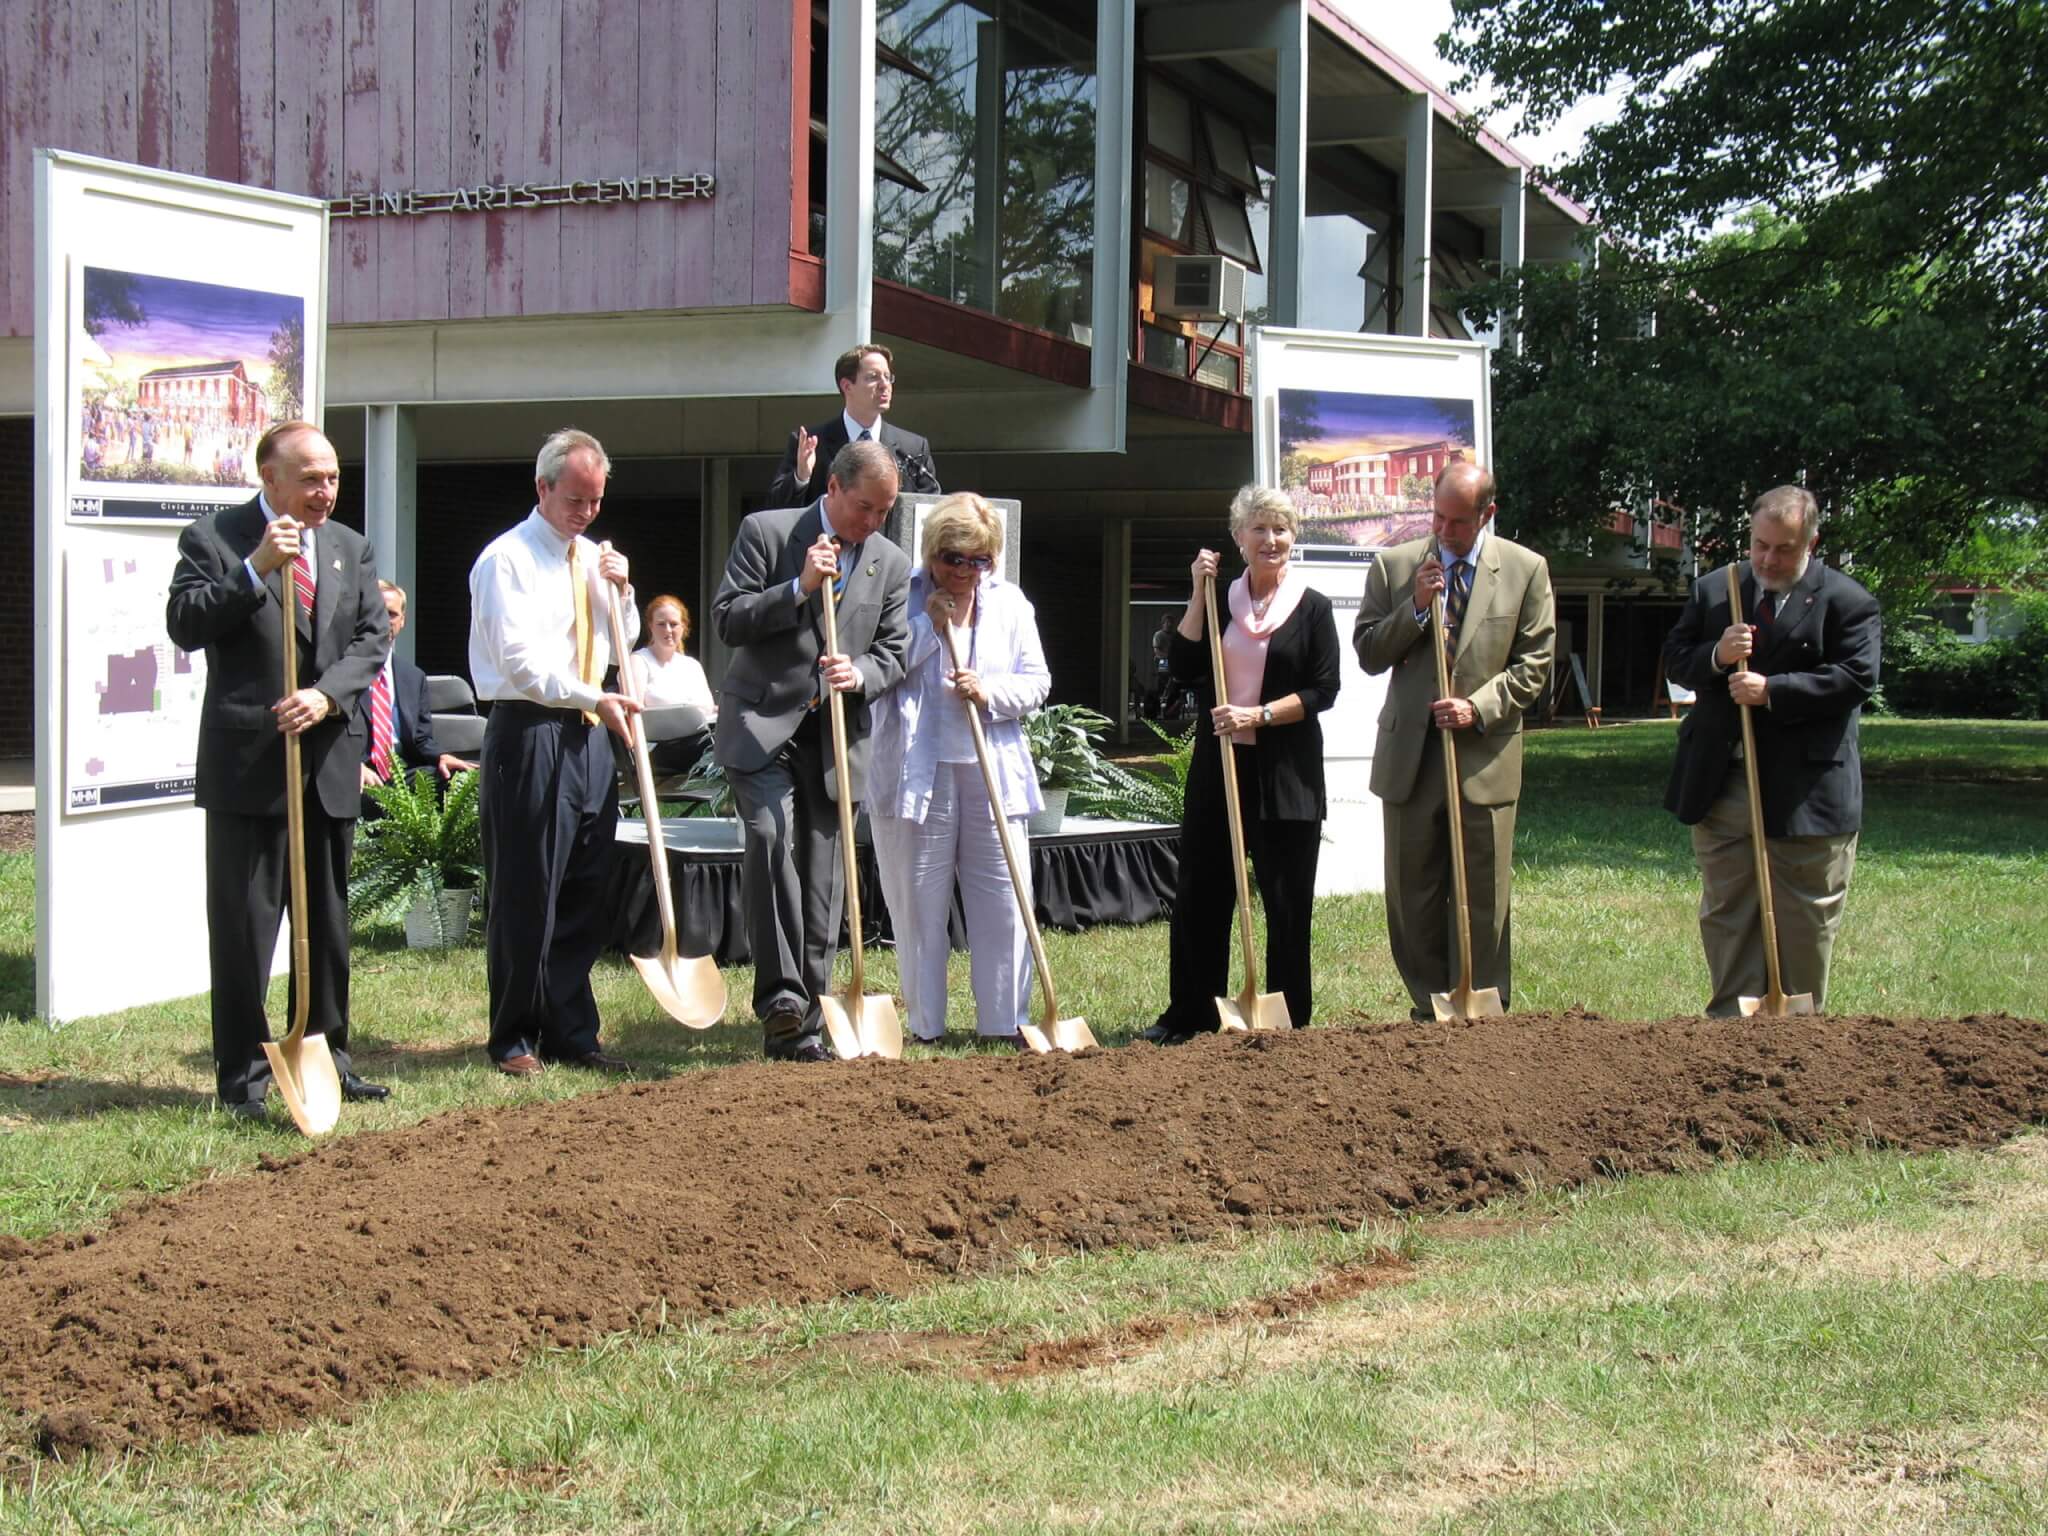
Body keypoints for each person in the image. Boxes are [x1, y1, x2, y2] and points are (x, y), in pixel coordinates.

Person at [165, 421, 393, 1117]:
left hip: (325, 760)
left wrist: (327, 696)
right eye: (311, 479)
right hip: (249, 765)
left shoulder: (350, 547)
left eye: (332, 478)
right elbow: (185, 623)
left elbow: (371, 635)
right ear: (269, 478)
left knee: (325, 920)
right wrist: (255, 569)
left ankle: (325, 1053)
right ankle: (243, 1075)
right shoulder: (215, 539)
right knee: (244, 927)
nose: (326, 491)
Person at [713, 439, 911, 1061]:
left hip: (833, 737)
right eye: (864, 508)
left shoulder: (890, 563)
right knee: (770, 836)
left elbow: (895, 651)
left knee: (824, 873)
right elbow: (727, 619)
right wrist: (797, 588)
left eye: (884, 511)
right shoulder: (767, 533)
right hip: (762, 721)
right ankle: (781, 999)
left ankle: (810, 1020)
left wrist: (861, 675)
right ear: (831, 488)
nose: (872, 523)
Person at [1663, 484, 1880, 1014]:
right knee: (1729, 910)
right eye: (1760, 545)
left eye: (1784, 549)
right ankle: (1730, 1029)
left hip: (1806, 791)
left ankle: (1797, 1035)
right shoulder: (1717, 590)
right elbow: (1676, 657)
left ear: (1812, 541)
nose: (1768, 559)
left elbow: (1856, 678)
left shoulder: (1848, 601)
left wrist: (1773, 691)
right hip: (1723, 782)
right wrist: (1716, 655)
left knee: (1803, 915)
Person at [468, 428, 643, 1078]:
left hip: (589, 730)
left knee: (583, 886)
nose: (586, 512)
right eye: (575, 499)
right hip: (531, 728)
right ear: (542, 489)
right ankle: (513, 1034)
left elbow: (619, 641)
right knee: (527, 887)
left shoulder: (593, 557)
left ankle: (571, 1029)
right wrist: (587, 698)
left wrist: (623, 593)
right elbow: (518, 662)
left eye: (595, 501)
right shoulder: (505, 561)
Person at [1353, 461, 1555, 1020]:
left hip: (1483, 759)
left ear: (1487, 514)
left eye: (1458, 521)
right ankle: (1429, 1005)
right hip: (1411, 762)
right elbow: (1369, 653)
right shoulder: (1396, 566)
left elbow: (1535, 665)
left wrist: (1478, 707)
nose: (1444, 530)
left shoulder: (1525, 570)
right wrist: (1415, 608)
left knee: (1483, 896)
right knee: (1411, 893)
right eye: (1437, 516)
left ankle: (1483, 1005)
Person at [1142, 485, 1343, 1044]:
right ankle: (1190, 1014)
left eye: (1280, 529)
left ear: (1293, 538)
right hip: (1220, 769)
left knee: (1285, 900)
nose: (1270, 539)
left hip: (1287, 775)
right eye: (1259, 528)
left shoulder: (1312, 607)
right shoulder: (1217, 599)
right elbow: (1181, 666)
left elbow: (1324, 689)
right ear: (1238, 538)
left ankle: (1286, 1017)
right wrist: (1194, 593)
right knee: (1201, 894)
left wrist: (1256, 715)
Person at [869, 492, 1050, 1047]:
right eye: (954, 558)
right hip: (918, 771)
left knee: (1002, 900)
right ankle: (926, 1025)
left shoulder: (1013, 604)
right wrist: (928, 627)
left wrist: (988, 690)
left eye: (980, 560)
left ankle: (1002, 1021)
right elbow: (880, 671)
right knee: (919, 904)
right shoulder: (902, 598)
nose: (966, 572)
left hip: (991, 768)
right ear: (932, 552)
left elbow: (1036, 681)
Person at [765, 343, 940, 509]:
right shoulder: (811, 443)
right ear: (847, 386)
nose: (884, 385)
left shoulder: (913, 447)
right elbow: (776, 508)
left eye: (888, 377)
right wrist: (801, 477)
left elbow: (931, 509)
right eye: (873, 377)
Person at [357, 579, 477, 811]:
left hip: (405, 771)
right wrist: (350, 766)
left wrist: (442, 756)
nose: (384, 620)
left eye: (391, 614)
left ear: (402, 621)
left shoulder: (413, 677)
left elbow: (422, 739)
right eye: (377, 612)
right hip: (358, 771)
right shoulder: (342, 670)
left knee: (464, 783)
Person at [629, 593, 718, 774]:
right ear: (650, 627)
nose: (668, 630)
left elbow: (709, 709)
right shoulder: (639, 661)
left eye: (674, 624)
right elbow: (633, 711)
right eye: (661, 624)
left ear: (684, 627)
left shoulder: (692, 665)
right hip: (657, 748)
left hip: (698, 742)